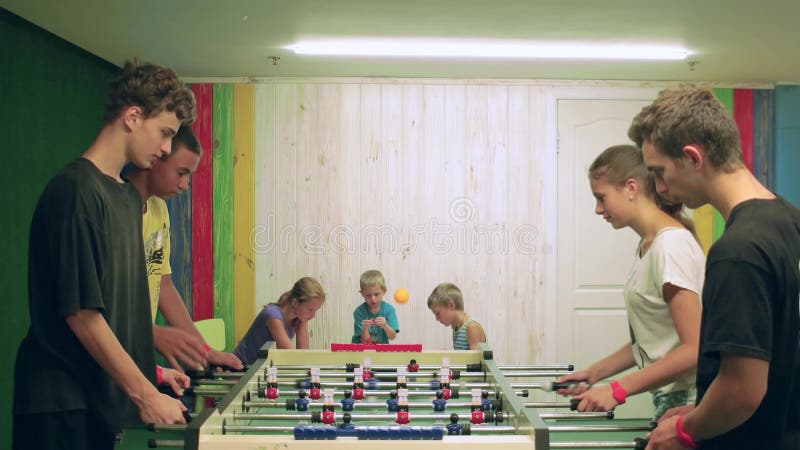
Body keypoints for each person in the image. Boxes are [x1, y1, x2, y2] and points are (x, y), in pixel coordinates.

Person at [12, 59, 196, 450]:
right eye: (164, 133)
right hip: (61, 404)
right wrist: (144, 395)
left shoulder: (127, 198)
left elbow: (118, 309)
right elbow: (82, 314)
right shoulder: (76, 191)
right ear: (132, 117)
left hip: (101, 395)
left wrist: (153, 374)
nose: (166, 149)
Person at [630, 86, 800, 449]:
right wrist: (700, 410)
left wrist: (686, 431)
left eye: (659, 172)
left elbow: (742, 392)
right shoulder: (789, 219)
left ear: (693, 157)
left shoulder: (737, 250)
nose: (659, 188)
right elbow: (775, 357)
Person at [556, 145, 704, 420]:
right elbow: (652, 341)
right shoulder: (649, 245)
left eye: (601, 197)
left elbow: (694, 348)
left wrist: (617, 390)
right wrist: (594, 373)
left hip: (689, 398)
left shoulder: (670, 247)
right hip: (670, 395)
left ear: (631, 187)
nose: (598, 209)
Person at [125, 126, 243, 372]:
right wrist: (153, 334)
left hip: (136, 353)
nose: (185, 185)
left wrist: (205, 351)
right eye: (181, 173)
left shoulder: (159, 209)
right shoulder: (116, 209)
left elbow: (163, 284)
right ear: (156, 158)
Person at [232, 277, 326, 365]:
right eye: (310, 310)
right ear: (295, 302)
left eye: (315, 310)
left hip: (256, 369)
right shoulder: (273, 316)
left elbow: (303, 355)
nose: (313, 315)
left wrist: (303, 322)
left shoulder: (299, 318)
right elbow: (288, 355)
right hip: (239, 367)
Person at [426, 283, 486, 350]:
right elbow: (463, 357)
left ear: (451, 305)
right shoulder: (455, 327)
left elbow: (476, 360)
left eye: (438, 313)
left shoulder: (472, 327)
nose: (436, 319)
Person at [351, 270, 400, 344]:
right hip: (361, 350)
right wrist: (365, 328)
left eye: (376, 294)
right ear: (362, 293)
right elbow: (364, 341)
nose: (373, 299)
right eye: (368, 295)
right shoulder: (359, 312)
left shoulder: (389, 310)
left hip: (381, 351)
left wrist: (385, 326)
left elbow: (392, 337)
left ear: (384, 291)